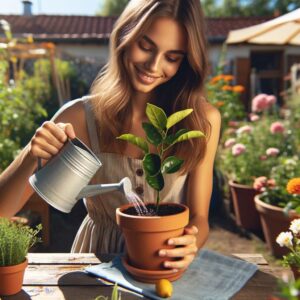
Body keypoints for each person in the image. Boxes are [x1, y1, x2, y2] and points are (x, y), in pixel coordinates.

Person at [0, 0, 221, 272]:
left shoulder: (201, 120)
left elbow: (199, 216)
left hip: (162, 265)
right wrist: (30, 157)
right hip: (94, 262)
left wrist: (190, 243)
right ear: (125, 37)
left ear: (186, 61)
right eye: (146, 46)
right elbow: (2, 211)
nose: (154, 65)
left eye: (172, 57)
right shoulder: (81, 117)